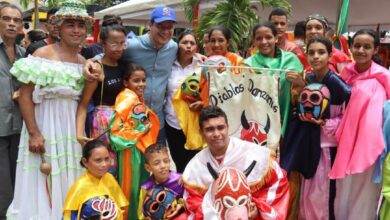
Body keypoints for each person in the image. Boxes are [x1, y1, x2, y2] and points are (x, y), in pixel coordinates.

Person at [6, 1, 93, 219]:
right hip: (44, 123)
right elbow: (25, 96)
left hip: (70, 127)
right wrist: (34, 133)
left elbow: (82, 102)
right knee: (42, 174)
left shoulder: (84, 61)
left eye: (81, 25)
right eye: (70, 24)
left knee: (69, 173)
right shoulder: (41, 55)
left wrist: (80, 134)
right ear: (58, 28)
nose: (76, 30)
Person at [84, 6, 182, 145]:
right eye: (161, 26)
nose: (165, 31)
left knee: (158, 164)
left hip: (157, 122)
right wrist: (90, 61)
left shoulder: (173, 48)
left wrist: (197, 55)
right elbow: (109, 54)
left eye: (170, 27)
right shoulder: (132, 46)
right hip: (132, 123)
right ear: (150, 25)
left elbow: (186, 56)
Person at [281, 36, 351, 220]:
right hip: (308, 143)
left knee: (322, 195)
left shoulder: (338, 84)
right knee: (307, 193)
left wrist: (325, 124)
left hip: (327, 148)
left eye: (321, 52)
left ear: (330, 55)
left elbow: (347, 117)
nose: (316, 57)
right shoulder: (308, 77)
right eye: (311, 52)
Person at [182, 105, 290, 220]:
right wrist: (215, 215)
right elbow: (192, 202)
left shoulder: (254, 153)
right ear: (201, 132)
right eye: (210, 129)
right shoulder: (196, 165)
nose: (216, 134)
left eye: (220, 127)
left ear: (227, 127)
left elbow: (278, 183)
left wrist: (257, 209)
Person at [328, 29, 390, 220]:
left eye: (367, 47)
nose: (361, 50)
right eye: (357, 46)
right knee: (343, 189)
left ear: (375, 50)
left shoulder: (383, 77)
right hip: (345, 142)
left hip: (371, 145)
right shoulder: (345, 73)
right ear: (351, 47)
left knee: (365, 193)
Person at [109, 63, 159, 220]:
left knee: (139, 188)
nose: (141, 84)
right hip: (131, 151)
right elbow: (115, 133)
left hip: (138, 149)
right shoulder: (127, 99)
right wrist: (140, 131)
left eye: (143, 80)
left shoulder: (132, 97)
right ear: (126, 82)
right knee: (131, 189)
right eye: (136, 81)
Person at [243, 22, 304, 137]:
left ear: (276, 38)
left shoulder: (291, 60)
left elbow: (302, 93)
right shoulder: (248, 65)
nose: (264, 42)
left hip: (289, 121)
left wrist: (299, 82)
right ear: (254, 41)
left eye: (268, 37)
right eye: (259, 38)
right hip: (259, 125)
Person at [164, 30, 203, 173]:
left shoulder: (202, 66)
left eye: (192, 43)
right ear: (177, 45)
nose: (188, 46)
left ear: (197, 48)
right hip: (172, 122)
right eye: (184, 42)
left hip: (194, 124)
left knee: (195, 163)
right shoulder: (168, 65)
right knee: (179, 163)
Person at [63, 139, 128, 219]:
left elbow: (122, 208)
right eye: (98, 160)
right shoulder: (79, 187)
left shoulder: (110, 178)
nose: (104, 164)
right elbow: (69, 216)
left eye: (107, 159)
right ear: (85, 162)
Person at [0, 3, 24, 219]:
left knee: (19, 181)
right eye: (6, 18)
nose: (11, 23)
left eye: (16, 20)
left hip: (19, 126)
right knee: (3, 187)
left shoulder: (23, 54)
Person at [138, 144, 186, 219]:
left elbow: (192, 201)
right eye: (157, 163)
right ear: (148, 168)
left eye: (166, 161)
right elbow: (142, 212)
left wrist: (182, 206)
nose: (163, 166)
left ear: (170, 161)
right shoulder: (146, 188)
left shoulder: (180, 180)